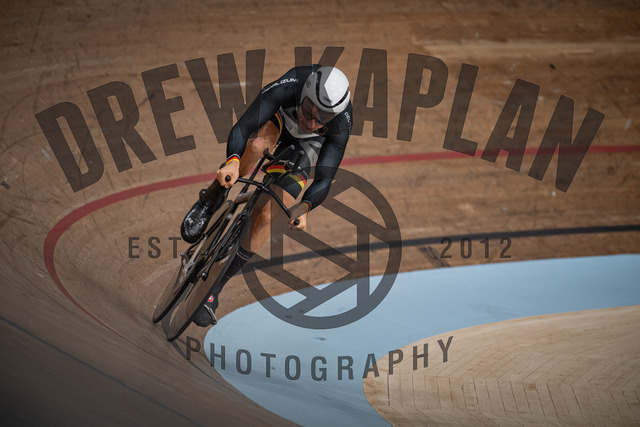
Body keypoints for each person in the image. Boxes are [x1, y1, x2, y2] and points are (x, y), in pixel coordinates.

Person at [180, 64, 353, 327]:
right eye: (309, 110)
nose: (312, 121)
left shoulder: (340, 122)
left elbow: (324, 178)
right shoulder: (289, 87)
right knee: (256, 146)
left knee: (271, 216)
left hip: (309, 144)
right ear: (304, 93)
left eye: (322, 119)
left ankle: (215, 289)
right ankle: (212, 198)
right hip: (280, 120)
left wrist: (305, 207)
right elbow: (244, 126)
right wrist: (233, 162)